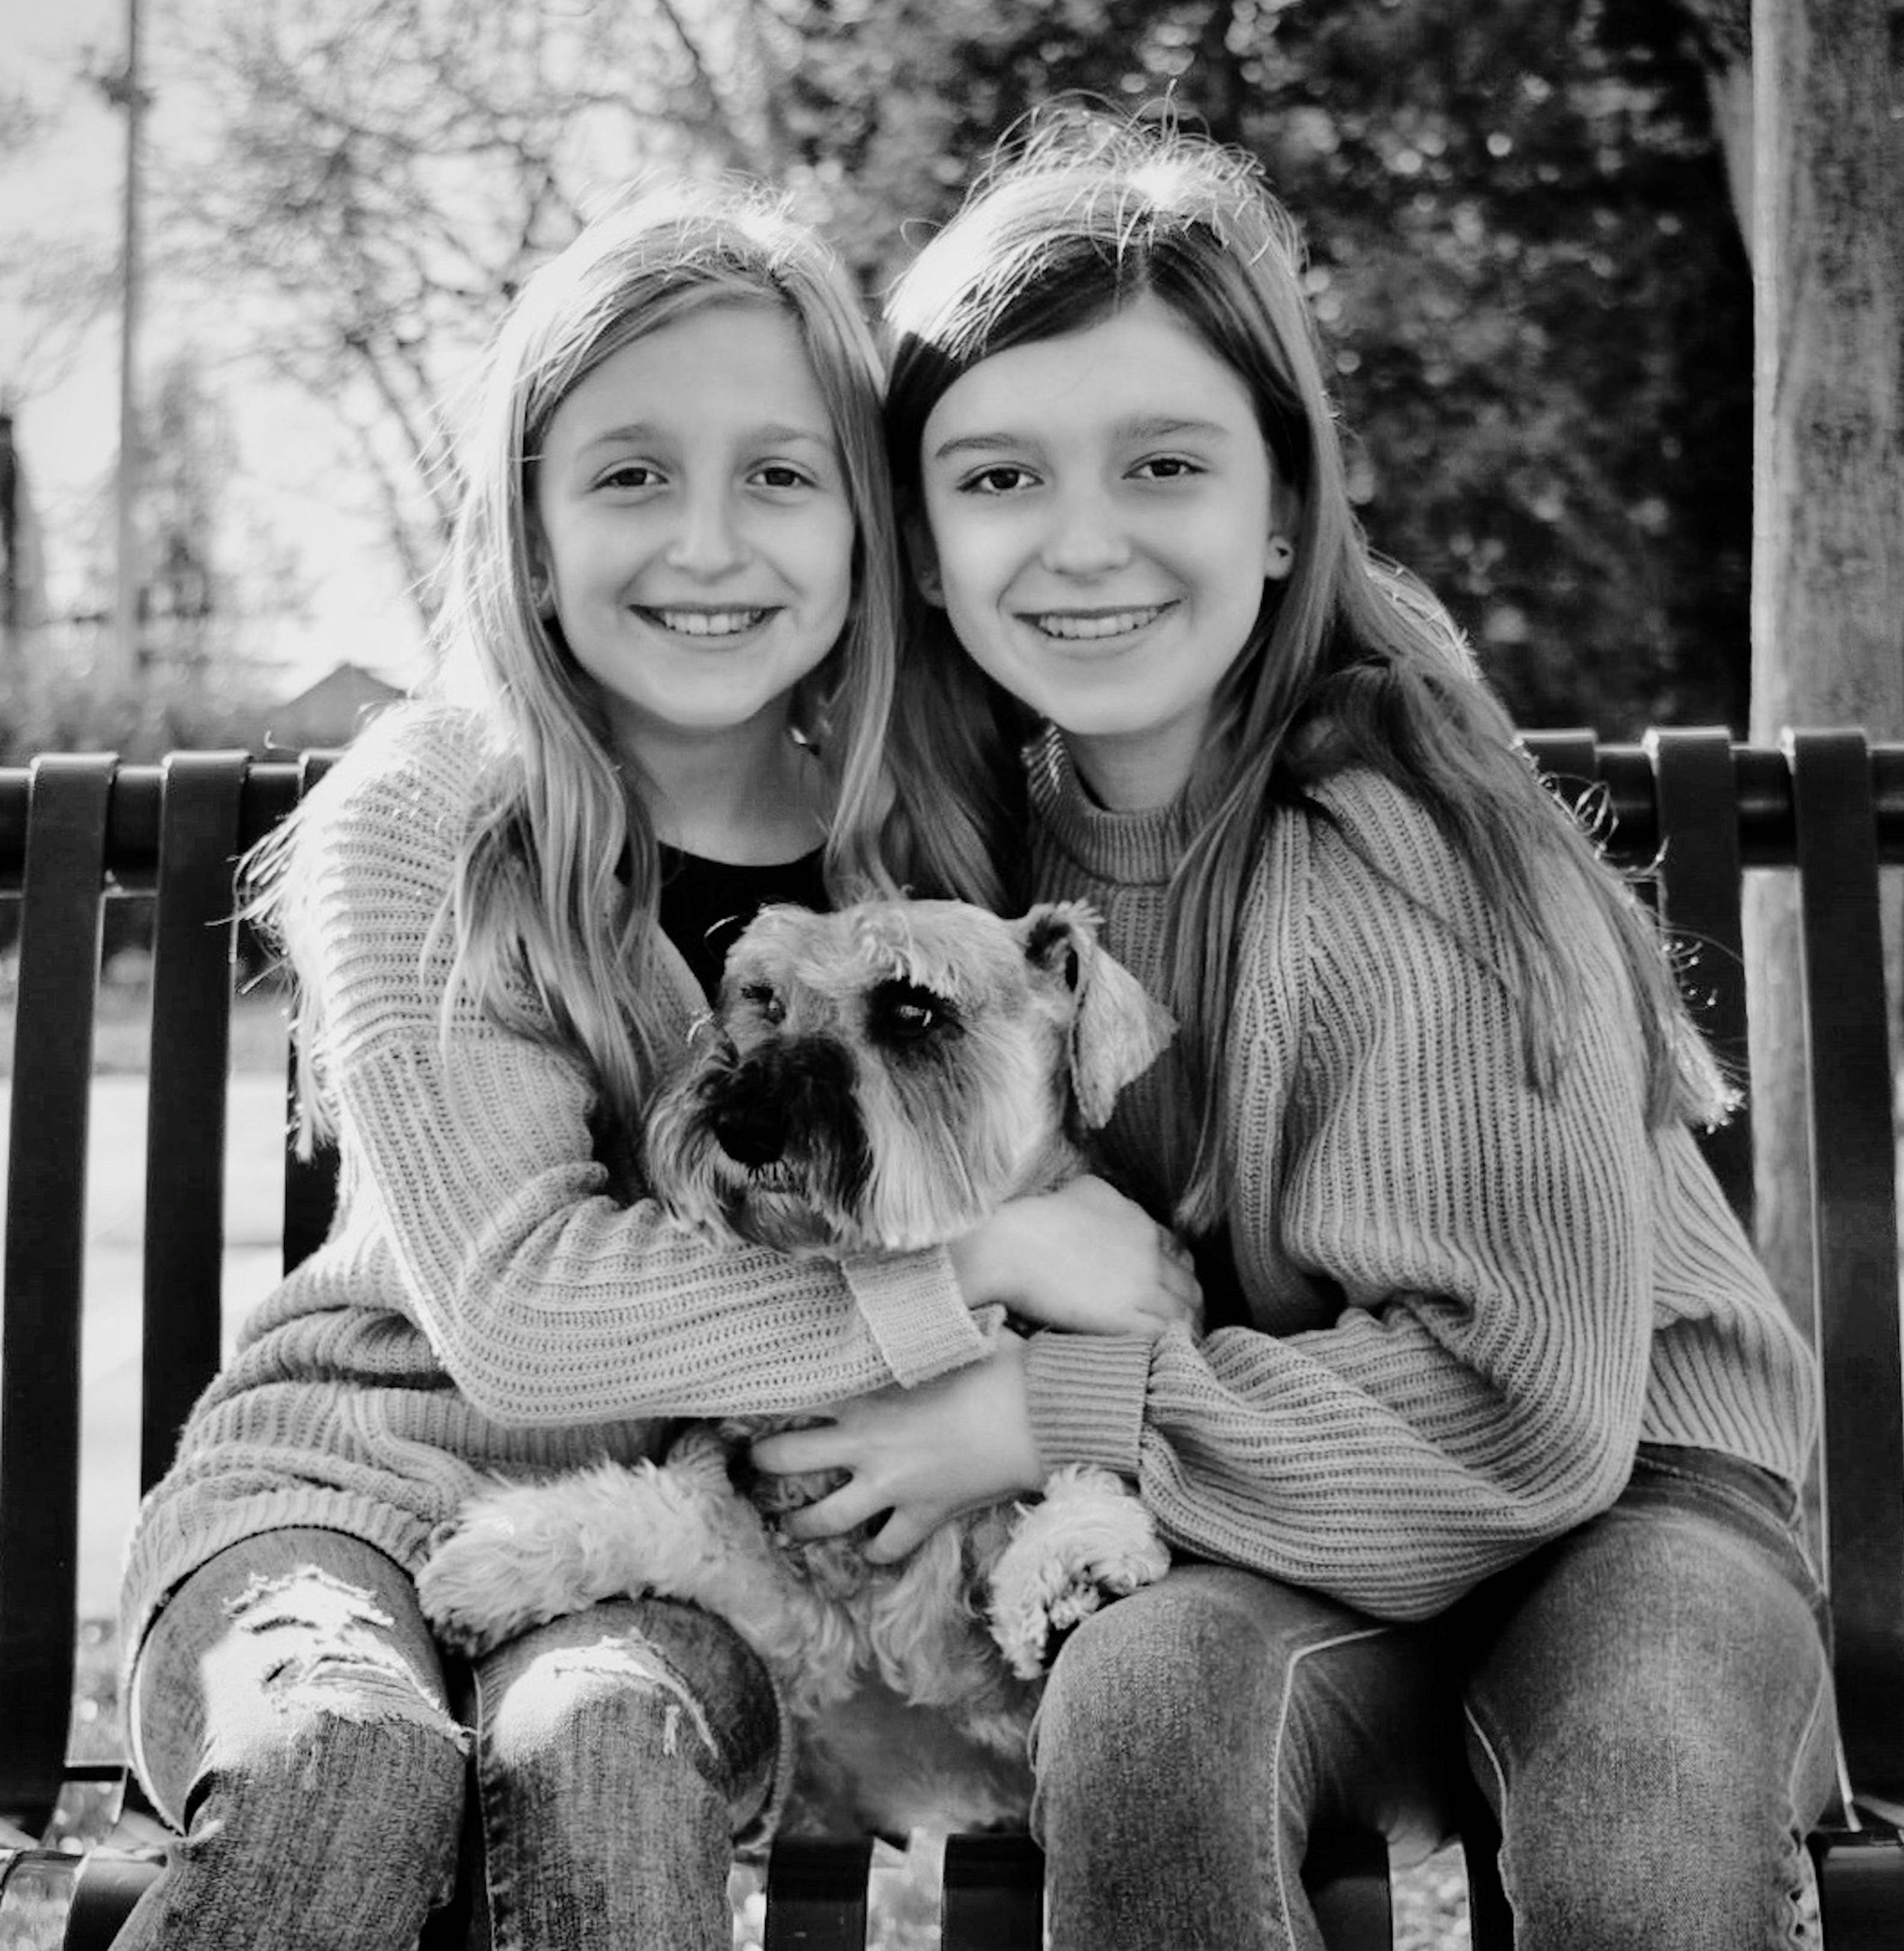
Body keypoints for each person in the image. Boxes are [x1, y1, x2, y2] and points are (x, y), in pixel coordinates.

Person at [752, 108, 1839, 1949]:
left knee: (1632, 1778)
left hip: (1620, 1497)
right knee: (1149, 1705)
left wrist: (1040, 1404)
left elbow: (1520, 1411)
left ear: (1279, 513)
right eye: (998, 479)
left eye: (1161, 462)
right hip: (1274, 1526)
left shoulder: (1402, 836)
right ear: (920, 548)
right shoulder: (970, 872)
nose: (1079, 542)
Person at [114, 177, 1194, 1951]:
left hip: (701, 1548)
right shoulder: (429, 815)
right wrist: (982, 1262)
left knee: (605, 1749)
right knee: (343, 1761)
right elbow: (519, 1316)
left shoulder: (928, 848)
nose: (708, 543)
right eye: (629, 474)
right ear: (528, 533)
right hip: (344, 1492)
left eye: (778, 475)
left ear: (864, 531)